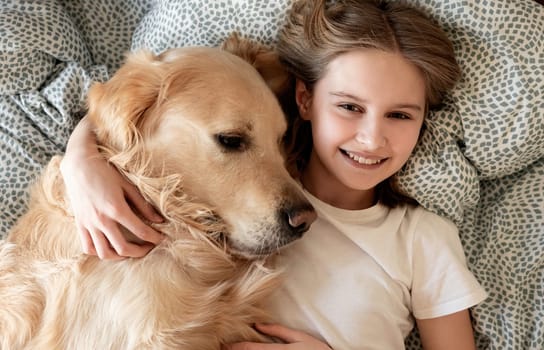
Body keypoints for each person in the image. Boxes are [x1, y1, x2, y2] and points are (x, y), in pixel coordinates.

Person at [60, 0, 487, 348]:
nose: (372, 139)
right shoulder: (236, 194)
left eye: (399, 115)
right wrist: (81, 157)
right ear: (304, 99)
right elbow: (166, 108)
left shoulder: (423, 238)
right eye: (349, 107)